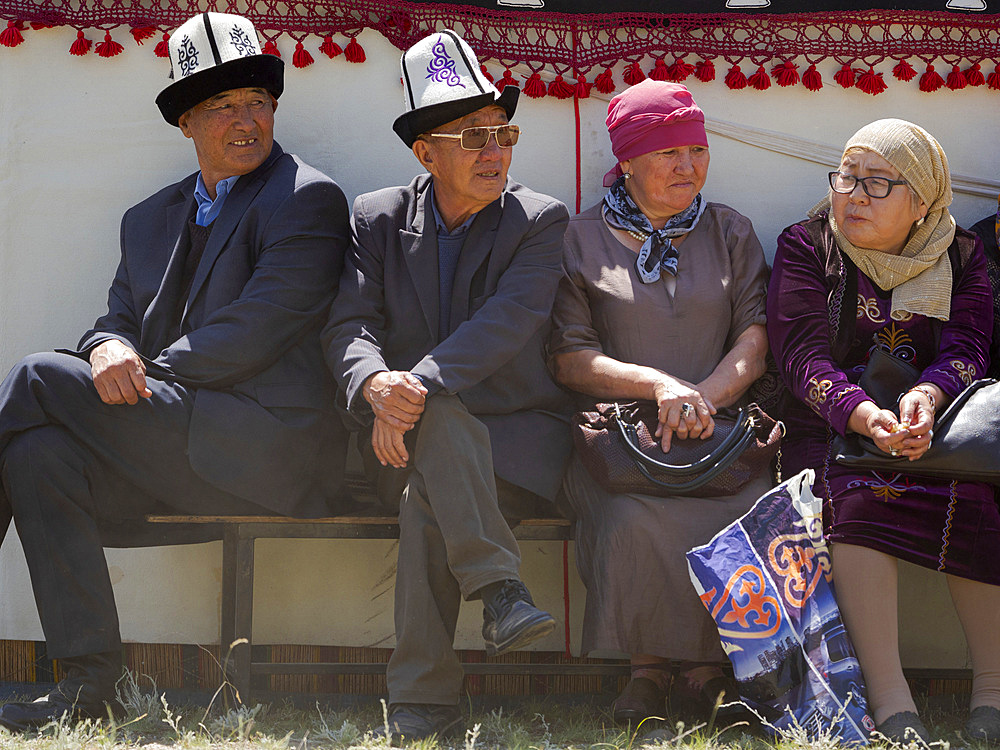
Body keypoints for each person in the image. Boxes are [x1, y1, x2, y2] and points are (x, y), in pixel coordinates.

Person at [0, 12, 350, 730]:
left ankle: (89, 684)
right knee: (37, 451)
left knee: (35, 376)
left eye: (258, 100)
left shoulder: (309, 199)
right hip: (172, 443)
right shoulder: (147, 219)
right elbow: (114, 322)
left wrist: (137, 372)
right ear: (186, 121)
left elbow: (255, 331)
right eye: (222, 106)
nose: (245, 119)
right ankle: (89, 686)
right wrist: (103, 350)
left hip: (265, 451)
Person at [322, 30, 571, 744]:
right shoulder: (378, 216)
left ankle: (423, 703)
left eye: (503, 133)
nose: (495, 151)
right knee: (429, 474)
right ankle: (499, 593)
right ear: (423, 153)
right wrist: (373, 385)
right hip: (398, 442)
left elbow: (508, 324)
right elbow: (348, 325)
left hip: (514, 444)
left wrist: (409, 390)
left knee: (429, 488)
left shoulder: (538, 220)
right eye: (472, 137)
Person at [547, 80, 770, 738]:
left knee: (741, 504)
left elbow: (755, 341)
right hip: (618, 437)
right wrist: (657, 388)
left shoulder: (729, 230)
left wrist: (701, 397)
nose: (687, 166)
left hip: (721, 429)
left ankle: (706, 671)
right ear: (628, 162)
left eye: (696, 150)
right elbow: (568, 356)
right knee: (627, 513)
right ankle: (648, 667)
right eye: (667, 152)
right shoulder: (580, 237)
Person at [768, 118, 1000, 745]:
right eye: (846, 177)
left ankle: (992, 693)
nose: (853, 195)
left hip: (935, 429)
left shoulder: (961, 255)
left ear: (921, 199)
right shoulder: (807, 245)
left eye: (877, 183)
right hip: (831, 426)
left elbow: (971, 344)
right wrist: (863, 415)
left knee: (977, 498)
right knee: (860, 497)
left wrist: (929, 395)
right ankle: (891, 700)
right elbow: (799, 357)